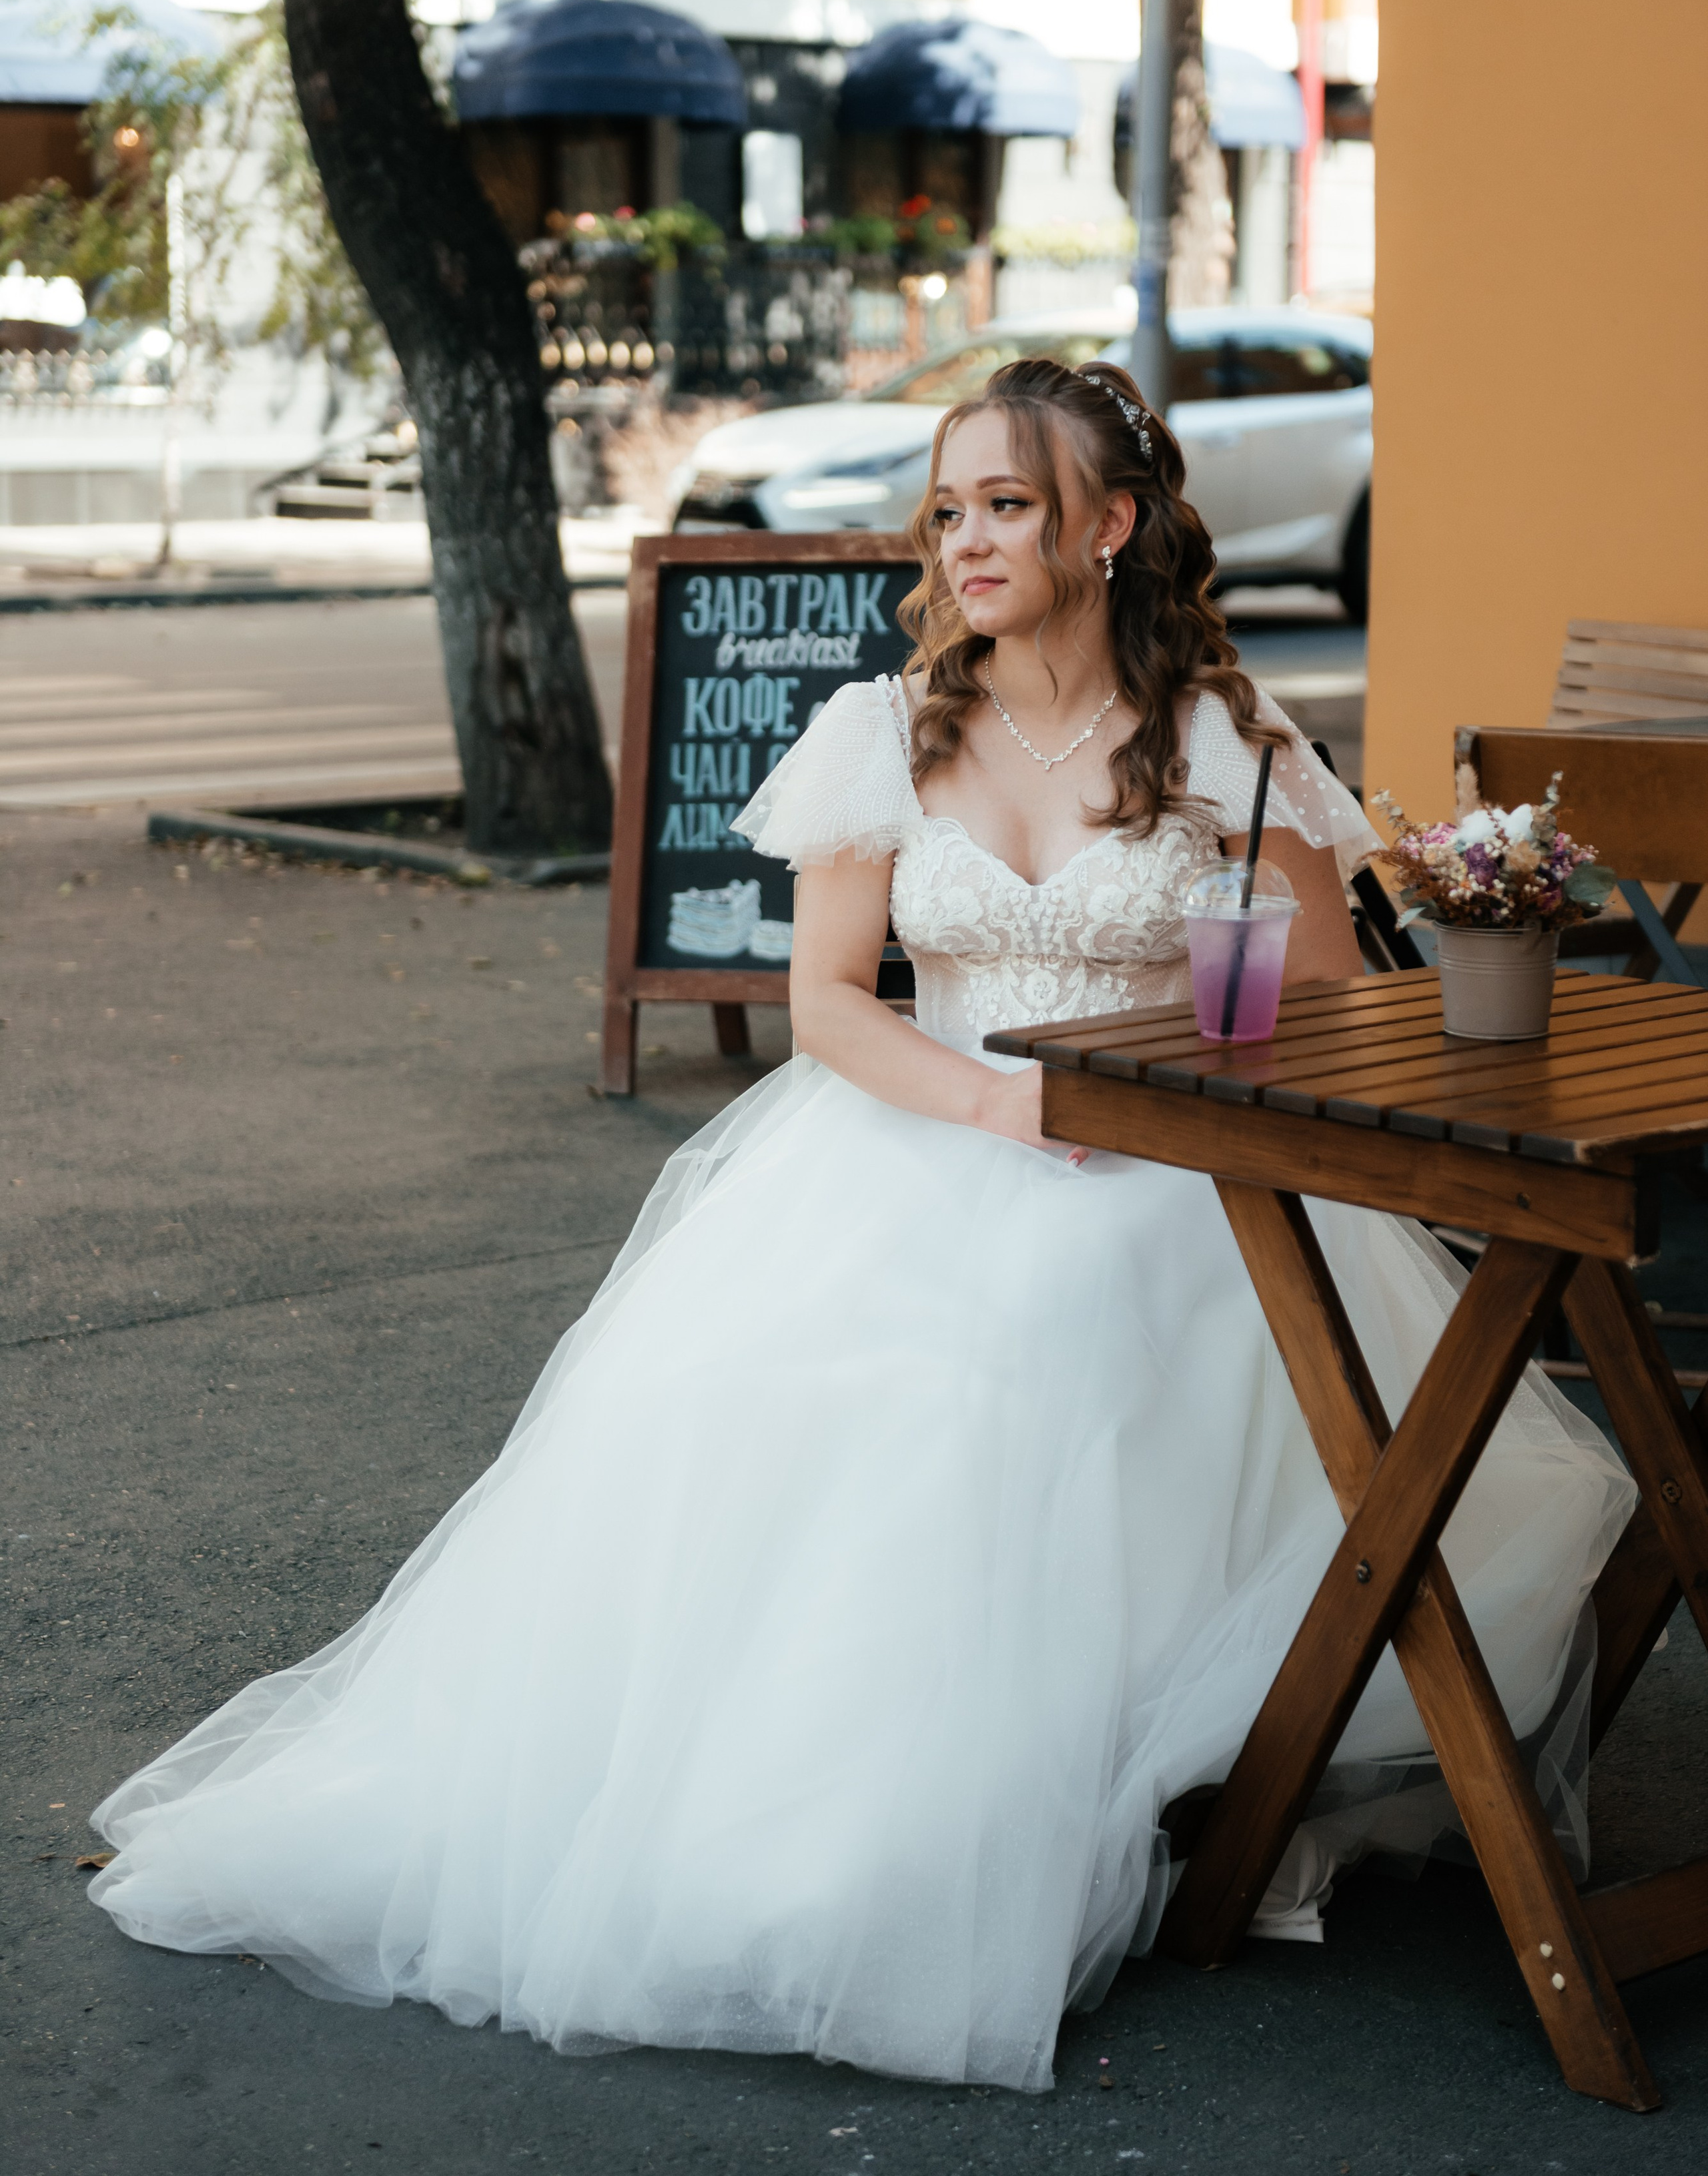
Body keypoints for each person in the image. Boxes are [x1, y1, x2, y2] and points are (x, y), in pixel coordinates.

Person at [88, 359, 1632, 2096]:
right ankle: (787, 1813)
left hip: (1188, 1161)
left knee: (1072, 1325)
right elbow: (827, 1001)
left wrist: (1216, 1012)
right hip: (925, 1119)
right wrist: (1005, 1109)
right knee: (835, 1369)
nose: (966, 538)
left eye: (1010, 505)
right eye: (951, 506)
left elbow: (1334, 1012)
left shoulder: (1231, 745)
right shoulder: (882, 731)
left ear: (1111, 525)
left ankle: (1067, 1802)